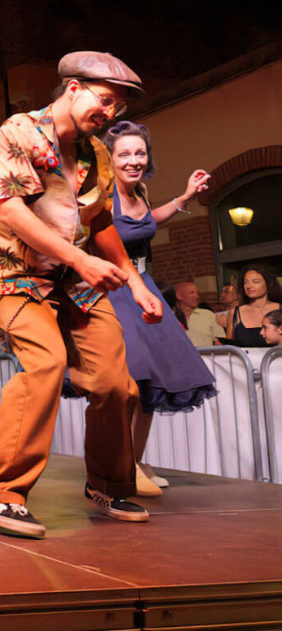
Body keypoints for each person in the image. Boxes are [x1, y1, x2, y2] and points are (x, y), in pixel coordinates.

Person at [0, 51, 163, 539]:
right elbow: (11, 211)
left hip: (74, 282)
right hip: (16, 276)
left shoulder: (96, 153)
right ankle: (0, 492)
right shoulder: (19, 131)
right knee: (46, 364)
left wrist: (135, 282)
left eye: (118, 107)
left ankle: (107, 484)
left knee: (115, 384)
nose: (110, 113)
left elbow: (99, 223)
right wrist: (81, 260)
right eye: (105, 100)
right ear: (73, 89)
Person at [103, 120, 218, 496]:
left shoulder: (141, 191)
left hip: (144, 288)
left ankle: (135, 460)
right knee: (131, 382)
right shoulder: (101, 196)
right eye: (124, 154)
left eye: (140, 153)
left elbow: (145, 222)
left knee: (154, 383)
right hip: (113, 290)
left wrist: (184, 198)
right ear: (110, 158)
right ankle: (119, 464)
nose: (133, 160)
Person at [225, 265, 281, 347]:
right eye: (245, 282)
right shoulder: (235, 313)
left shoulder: (280, 309)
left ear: (268, 283)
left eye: (255, 281)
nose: (249, 286)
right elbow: (229, 348)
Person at [173, 281, 225, 348]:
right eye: (191, 293)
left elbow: (221, 341)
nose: (197, 296)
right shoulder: (171, 318)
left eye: (197, 293)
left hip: (206, 355)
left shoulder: (208, 315)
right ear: (178, 296)